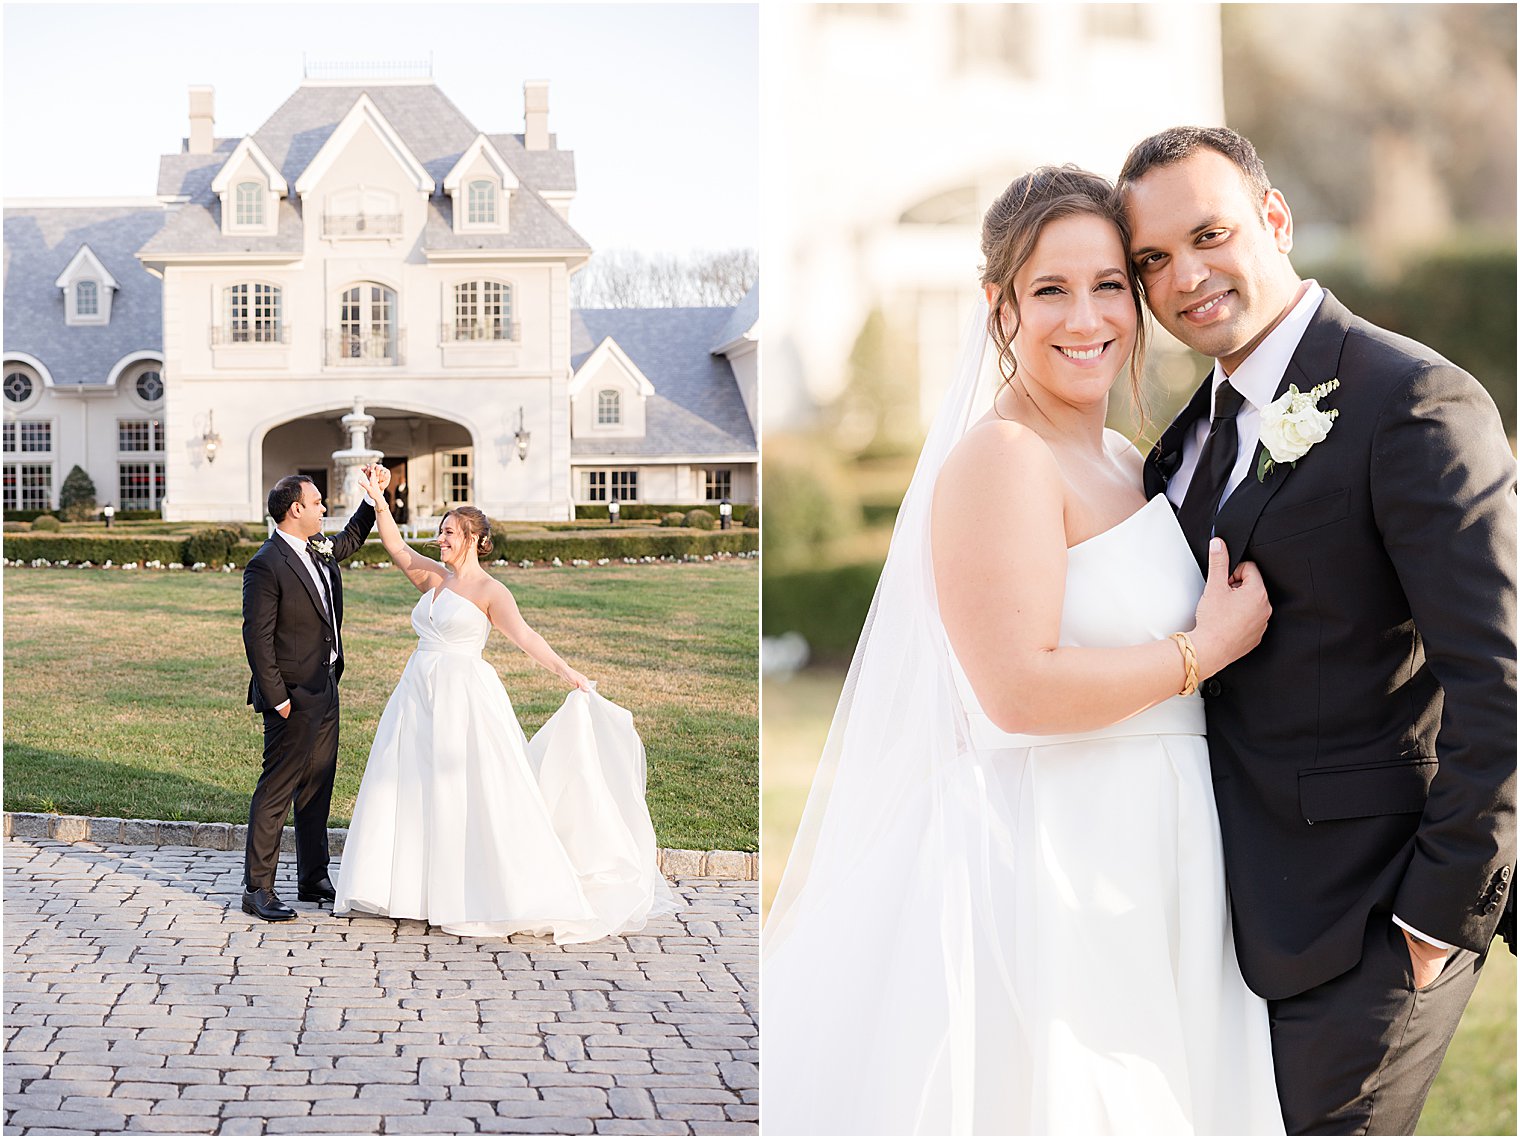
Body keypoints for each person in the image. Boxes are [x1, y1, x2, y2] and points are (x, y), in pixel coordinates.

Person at [764, 166, 1285, 1134]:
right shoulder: (1001, 457)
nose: (1083, 316)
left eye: (1106, 286)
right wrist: (1198, 650)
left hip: (1155, 844)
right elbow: (1014, 686)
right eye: (1048, 289)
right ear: (997, 304)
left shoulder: (1127, 460)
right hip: (1055, 852)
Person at [1119, 126, 1516, 1135]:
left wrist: (1433, 922)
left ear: (1275, 219)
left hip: (1369, 917)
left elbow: (1500, 682)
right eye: (1152, 261)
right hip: (1228, 911)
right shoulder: (1188, 432)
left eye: (1208, 234)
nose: (1185, 277)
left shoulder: (1410, 400)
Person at [332, 471, 677, 942]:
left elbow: (525, 637)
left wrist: (567, 672)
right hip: (417, 693)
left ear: (474, 538)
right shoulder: (434, 578)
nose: (441, 539)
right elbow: (395, 547)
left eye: (449, 532)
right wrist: (378, 500)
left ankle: (474, 891)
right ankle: (412, 891)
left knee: (467, 788)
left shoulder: (492, 592)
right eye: (442, 532)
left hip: (464, 697)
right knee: (410, 784)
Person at [240, 470, 377, 922]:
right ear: (295, 509)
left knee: (318, 787)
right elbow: (257, 638)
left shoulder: (319, 548)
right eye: (317, 502)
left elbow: (351, 538)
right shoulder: (267, 563)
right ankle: (258, 889)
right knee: (278, 789)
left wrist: (373, 499)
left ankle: (313, 878)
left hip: (326, 686)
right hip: (292, 696)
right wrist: (278, 697)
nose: (323, 508)